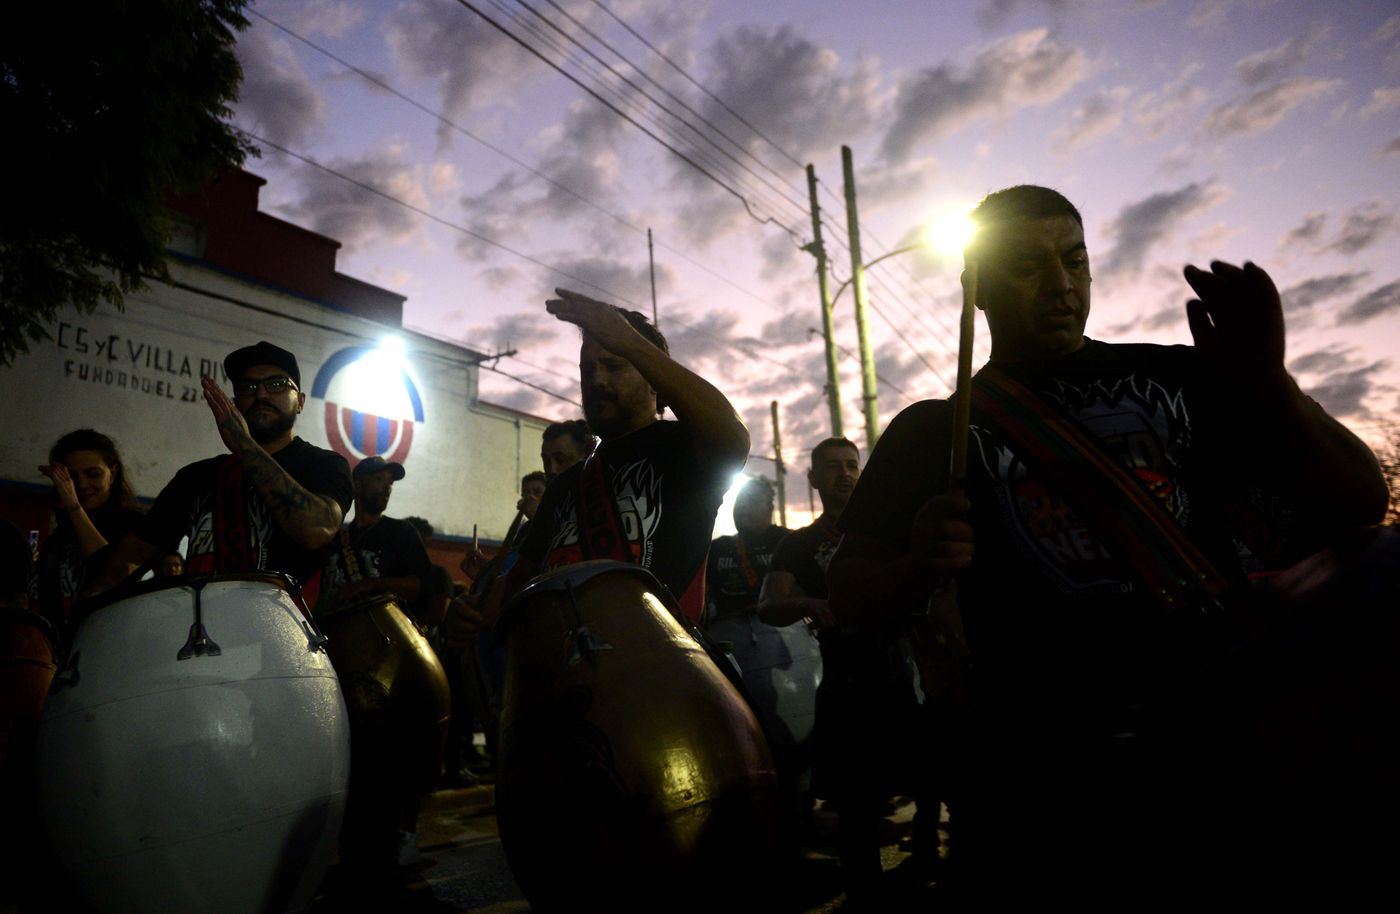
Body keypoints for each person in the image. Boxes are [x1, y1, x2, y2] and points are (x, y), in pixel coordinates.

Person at [826, 185, 1389, 897]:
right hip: (1044, 777)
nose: (1061, 286)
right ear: (977, 288)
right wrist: (913, 567)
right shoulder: (932, 431)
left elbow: (1359, 500)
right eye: (1028, 267)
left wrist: (1271, 383)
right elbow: (849, 590)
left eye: (1074, 260)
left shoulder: (1184, 373)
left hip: (1226, 743)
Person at [447, 288, 749, 642]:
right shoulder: (566, 484)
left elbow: (733, 438)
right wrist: (470, 613)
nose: (597, 380)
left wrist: (628, 340)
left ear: (655, 378)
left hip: (661, 669)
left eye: (615, 364)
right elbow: (511, 590)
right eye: (587, 368)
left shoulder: (685, 449)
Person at [85, 341, 353, 596]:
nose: (261, 394)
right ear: (236, 403)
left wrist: (243, 444)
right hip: (202, 634)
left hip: (287, 636)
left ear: (301, 401)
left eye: (277, 384)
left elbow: (316, 530)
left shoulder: (324, 465)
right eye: (248, 387)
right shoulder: (196, 478)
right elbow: (129, 559)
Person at [31, 429, 143, 639]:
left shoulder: (135, 526)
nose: (81, 485)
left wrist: (74, 507)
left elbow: (108, 574)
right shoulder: (58, 541)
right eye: (71, 478)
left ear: (113, 473)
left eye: (93, 474)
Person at [319, 456, 433, 622]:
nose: (387, 488)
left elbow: (422, 586)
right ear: (357, 485)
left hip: (385, 636)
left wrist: (372, 584)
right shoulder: (333, 537)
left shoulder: (401, 532)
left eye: (391, 483)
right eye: (379, 479)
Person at [706, 476, 788, 622]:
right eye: (739, 501)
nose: (743, 506)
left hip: (785, 632)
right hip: (728, 633)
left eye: (752, 500)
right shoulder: (716, 548)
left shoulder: (790, 542)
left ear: (770, 508)